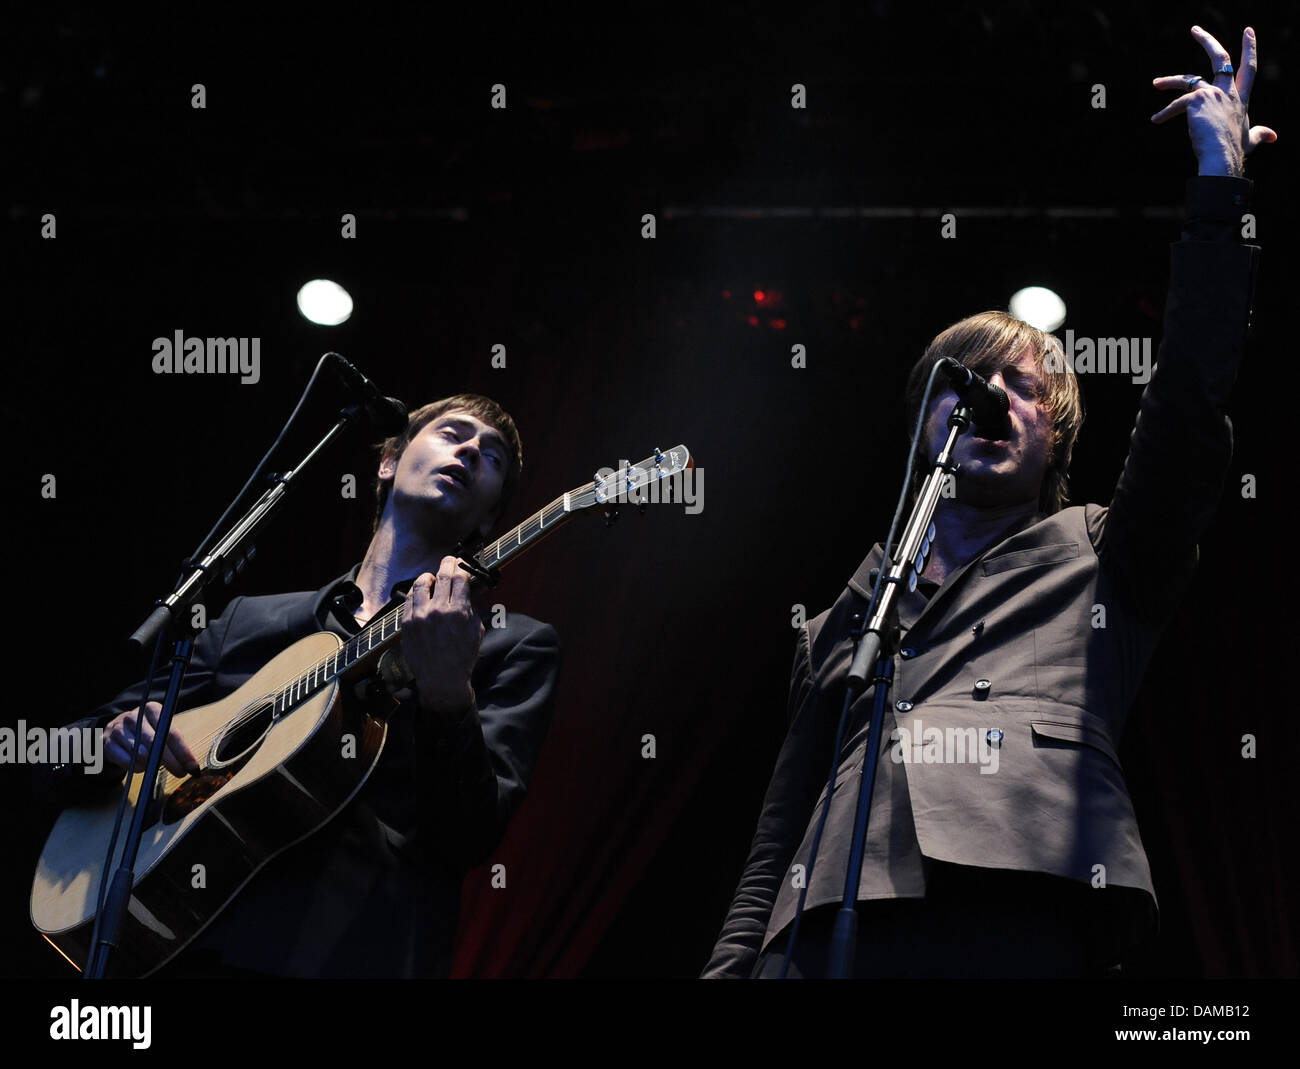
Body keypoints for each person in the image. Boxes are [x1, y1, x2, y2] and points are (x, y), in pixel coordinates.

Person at [703, 25, 1274, 979]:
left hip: (1021, 905)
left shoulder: (1101, 552)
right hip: (818, 934)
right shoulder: (851, 610)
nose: (992, 397)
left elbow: (1186, 405)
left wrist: (1219, 195)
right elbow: (776, 836)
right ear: (925, 418)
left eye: (1024, 386)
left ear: (1057, 431)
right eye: (964, 381)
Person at [45, 393, 560, 977]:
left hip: (355, 956)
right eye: (453, 433)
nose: (469, 449)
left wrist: (448, 697)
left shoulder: (507, 645)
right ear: (389, 460)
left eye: (491, 456)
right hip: (188, 944)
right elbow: (54, 754)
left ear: (492, 516)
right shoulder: (250, 620)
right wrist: (111, 743)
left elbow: (469, 837)